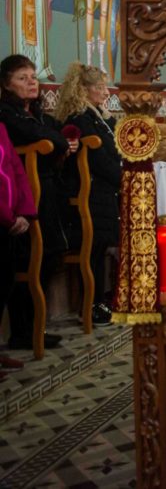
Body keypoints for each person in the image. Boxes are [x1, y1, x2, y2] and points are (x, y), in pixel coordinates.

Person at [0, 54, 77, 349]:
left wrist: (66, 141)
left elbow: (59, 130)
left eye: (33, 76)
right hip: (25, 196)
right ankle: (23, 330)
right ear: (7, 85)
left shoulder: (38, 112)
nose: (31, 82)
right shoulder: (7, 114)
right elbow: (39, 136)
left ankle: (36, 327)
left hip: (48, 191)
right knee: (29, 258)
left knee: (48, 257)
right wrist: (59, 143)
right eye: (23, 78)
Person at [53, 62, 119, 325]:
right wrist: (125, 177)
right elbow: (98, 159)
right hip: (89, 193)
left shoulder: (97, 117)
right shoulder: (81, 119)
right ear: (83, 90)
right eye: (100, 87)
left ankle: (99, 300)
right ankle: (90, 303)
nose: (106, 92)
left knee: (99, 248)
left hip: (102, 192)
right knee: (91, 249)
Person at [0, 122, 33, 377]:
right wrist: (8, 218)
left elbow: (15, 169)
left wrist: (24, 211)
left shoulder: (2, 127)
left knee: (4, 283)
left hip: (12, 220)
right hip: (4, 220)